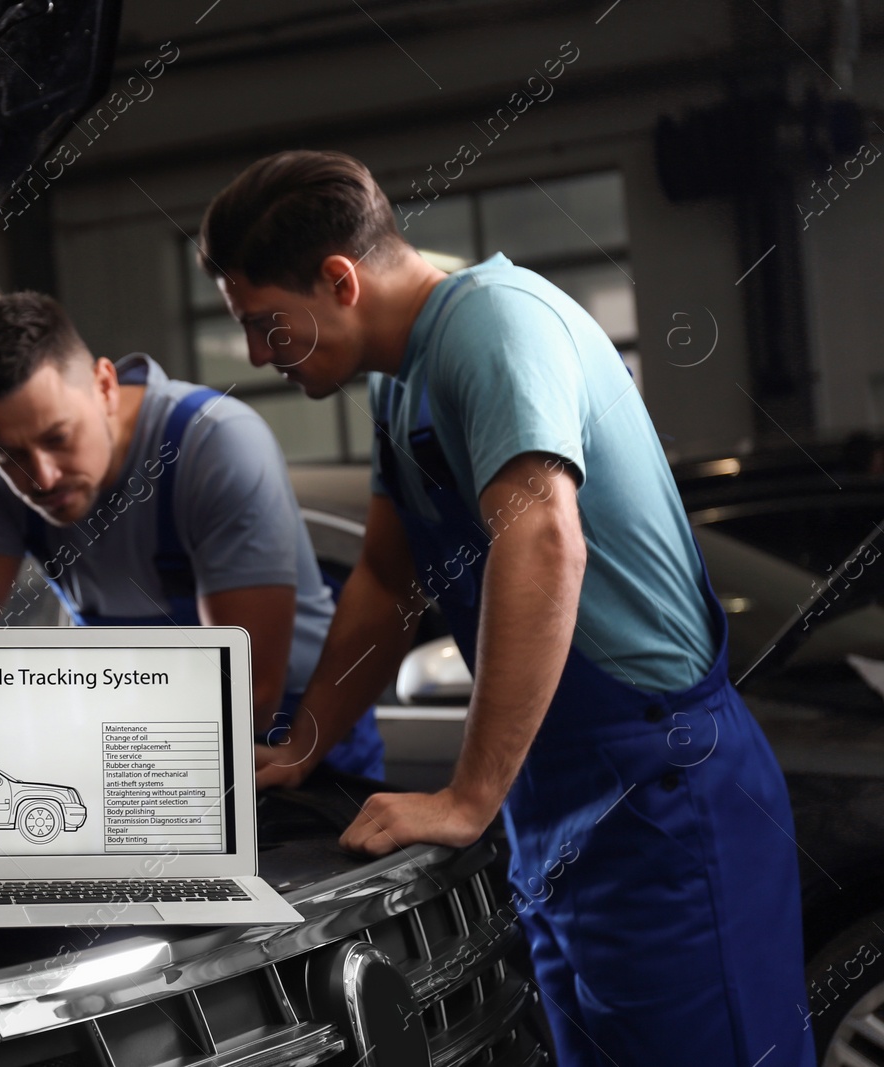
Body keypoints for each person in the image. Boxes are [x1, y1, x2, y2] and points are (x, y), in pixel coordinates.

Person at [200, 151, 813, 1065]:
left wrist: (467, 795)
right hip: (557, 802)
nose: (256, 356)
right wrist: (306, 739)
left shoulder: (495, 324)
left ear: (339, 279)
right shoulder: (398, 379)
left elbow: (545, 540)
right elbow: (383, 578)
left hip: (660, 794)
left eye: (266, 325)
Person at [0, 290, 383, 779]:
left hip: (288, 745)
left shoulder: (213, 445)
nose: (41, 477)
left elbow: (248, 691)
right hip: (135, 737)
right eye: (9, 453)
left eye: (59, 437)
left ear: (105, 385)